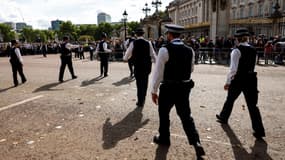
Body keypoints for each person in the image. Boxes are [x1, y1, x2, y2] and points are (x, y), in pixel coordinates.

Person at [150, 24, 205, 158]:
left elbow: (158, 73)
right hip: (184, 88)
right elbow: (191, 69)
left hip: (168, 87)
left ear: (169, 34)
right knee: (186, 116)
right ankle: (196, 141)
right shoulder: (189, 50)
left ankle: (164, 138)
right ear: (180, 35)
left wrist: (154, 90)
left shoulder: (164, 50)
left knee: (164, 114)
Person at [216, 28, 265, 139]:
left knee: (230, 99)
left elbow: (233, 69)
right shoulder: (253, 49)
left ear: (237, 39)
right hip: (251, 79)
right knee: (253, 106)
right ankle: (259, 130)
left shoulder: (236, 50)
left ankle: (224, 117)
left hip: (239, 79)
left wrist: (228, 82)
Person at [124, 28, 156, 107]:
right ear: (143, 34)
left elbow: (128, 54)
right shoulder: (148, 43)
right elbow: (153, 54)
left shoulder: (133, 43)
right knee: (145, 83)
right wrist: (157, 62)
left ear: (136, 35)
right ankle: (143, 98)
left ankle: (140, 101)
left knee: (139, 84)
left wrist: (125, 58)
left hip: (137, 66)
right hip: (147, 67)